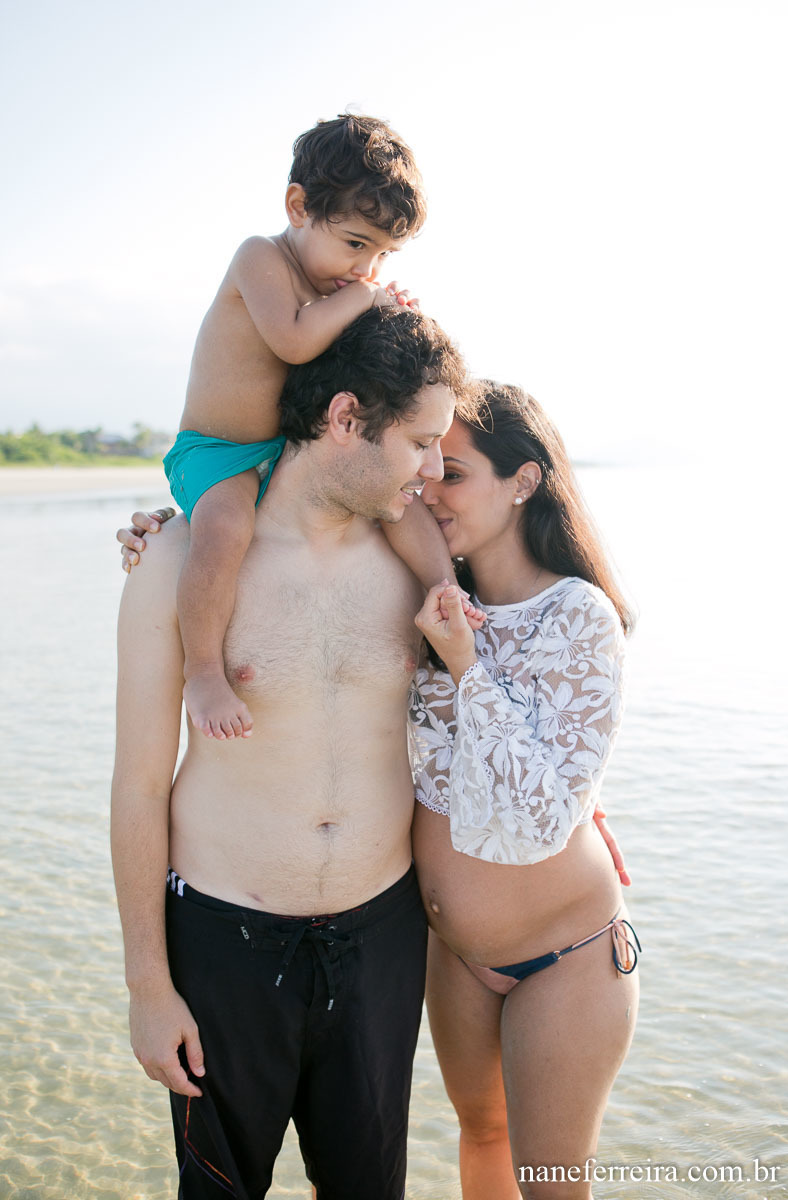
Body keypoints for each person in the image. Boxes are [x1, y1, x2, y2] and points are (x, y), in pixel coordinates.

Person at [111, 306, 478, 1200]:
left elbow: (518, 695)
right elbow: (135, 786)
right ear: (347, 418)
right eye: (420, 443)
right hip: (223, 941)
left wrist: (587, 807)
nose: (434, 471)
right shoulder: (181, 563)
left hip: (382, 938)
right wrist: (150, 990)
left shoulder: (419, 567)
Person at [409, 382, 639, 1199]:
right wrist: (171, 535)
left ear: (524, 481)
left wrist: (467, 662)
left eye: (456, 473)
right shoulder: (426, 597)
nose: (431, 489)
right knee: (482, 1138)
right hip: (455, 952)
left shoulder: (579, 616)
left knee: (550, 1186)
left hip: (564, 958)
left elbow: (542, 814)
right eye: (427, 467)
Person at [161, 113, 456, 741]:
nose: (365, 268)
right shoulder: (260, 257)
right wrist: (364, 299)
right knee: (225, 529)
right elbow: (293, 342)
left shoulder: (338, 288)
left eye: (382, 255)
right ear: (298, 206)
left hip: (284, 451)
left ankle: (448, 590)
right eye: (355, 244)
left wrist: (386, 318)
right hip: (219, 453)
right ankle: (205, 671)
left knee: (392, 500)